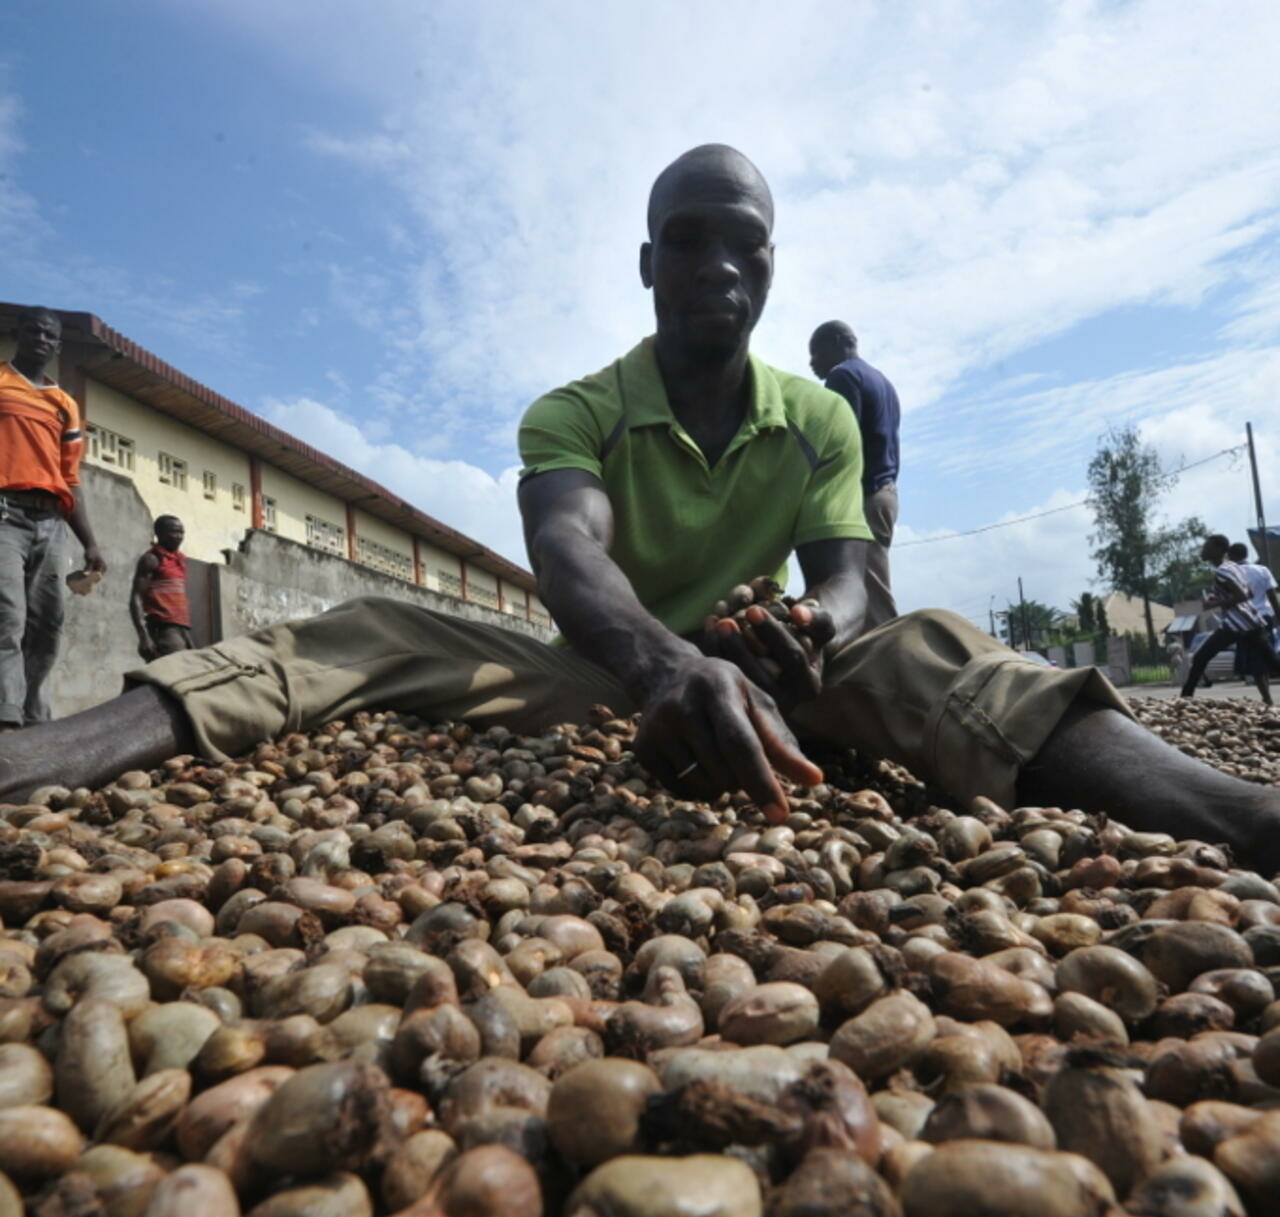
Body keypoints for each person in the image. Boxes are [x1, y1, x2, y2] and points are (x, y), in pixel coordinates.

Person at [2, 146, 1280, 868]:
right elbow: (569, 556)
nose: (716, 264)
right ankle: (60, 748)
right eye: (686, 239)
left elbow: (846, 571)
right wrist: (665, 663)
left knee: (934, 641)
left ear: (771, 267)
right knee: (366, 628)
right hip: (610, 675)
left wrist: (809, 629)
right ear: (645, 262)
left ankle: (1230, 816)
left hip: (783, 682)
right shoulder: (576, 411)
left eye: (744, 243)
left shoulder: (819, 412)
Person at [0, 307, 105, 728]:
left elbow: (70, 477)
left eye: (49, 335)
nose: (41, 339)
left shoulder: (64, 403)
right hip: (4, 515)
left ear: (57, 346)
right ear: (19, 334)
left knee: (47, 625)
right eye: (34, 331)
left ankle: (32, 714)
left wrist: (91, 542)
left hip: (52, 524)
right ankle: (6, 721)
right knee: (7, 616)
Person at [808, 320, 900, 628]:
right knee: (872, 582)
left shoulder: (843, 376)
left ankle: (894, 660)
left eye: (815, 352)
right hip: (886, 492)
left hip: (863, 497)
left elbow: (839, 442)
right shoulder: (882, 381)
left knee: (865, 592)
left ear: (837, 342)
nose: (812, 363)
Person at [1181, 534, 1278, 704]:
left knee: (1201, 657)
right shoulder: (1232, 567)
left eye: (1207, 547)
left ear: (1218, 550)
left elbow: (1242, 596)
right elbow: (1248, 593)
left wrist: (1215, 604)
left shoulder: (1222, 570)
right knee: (1274, 663)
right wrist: (1219, 599)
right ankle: (1186, 696)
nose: (1203, 551)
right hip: (1251, 622)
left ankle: (1185, 698)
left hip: (1237, 623)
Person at [131, 516, 194, 659]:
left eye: (181, 532)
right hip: (163, 628)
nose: (179, 537)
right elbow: (136, 598)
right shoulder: (152, 559)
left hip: (182, 627)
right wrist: (144, 636)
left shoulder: (179, 560)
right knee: (173, 672)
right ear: (159, 533)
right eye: (174, 532)